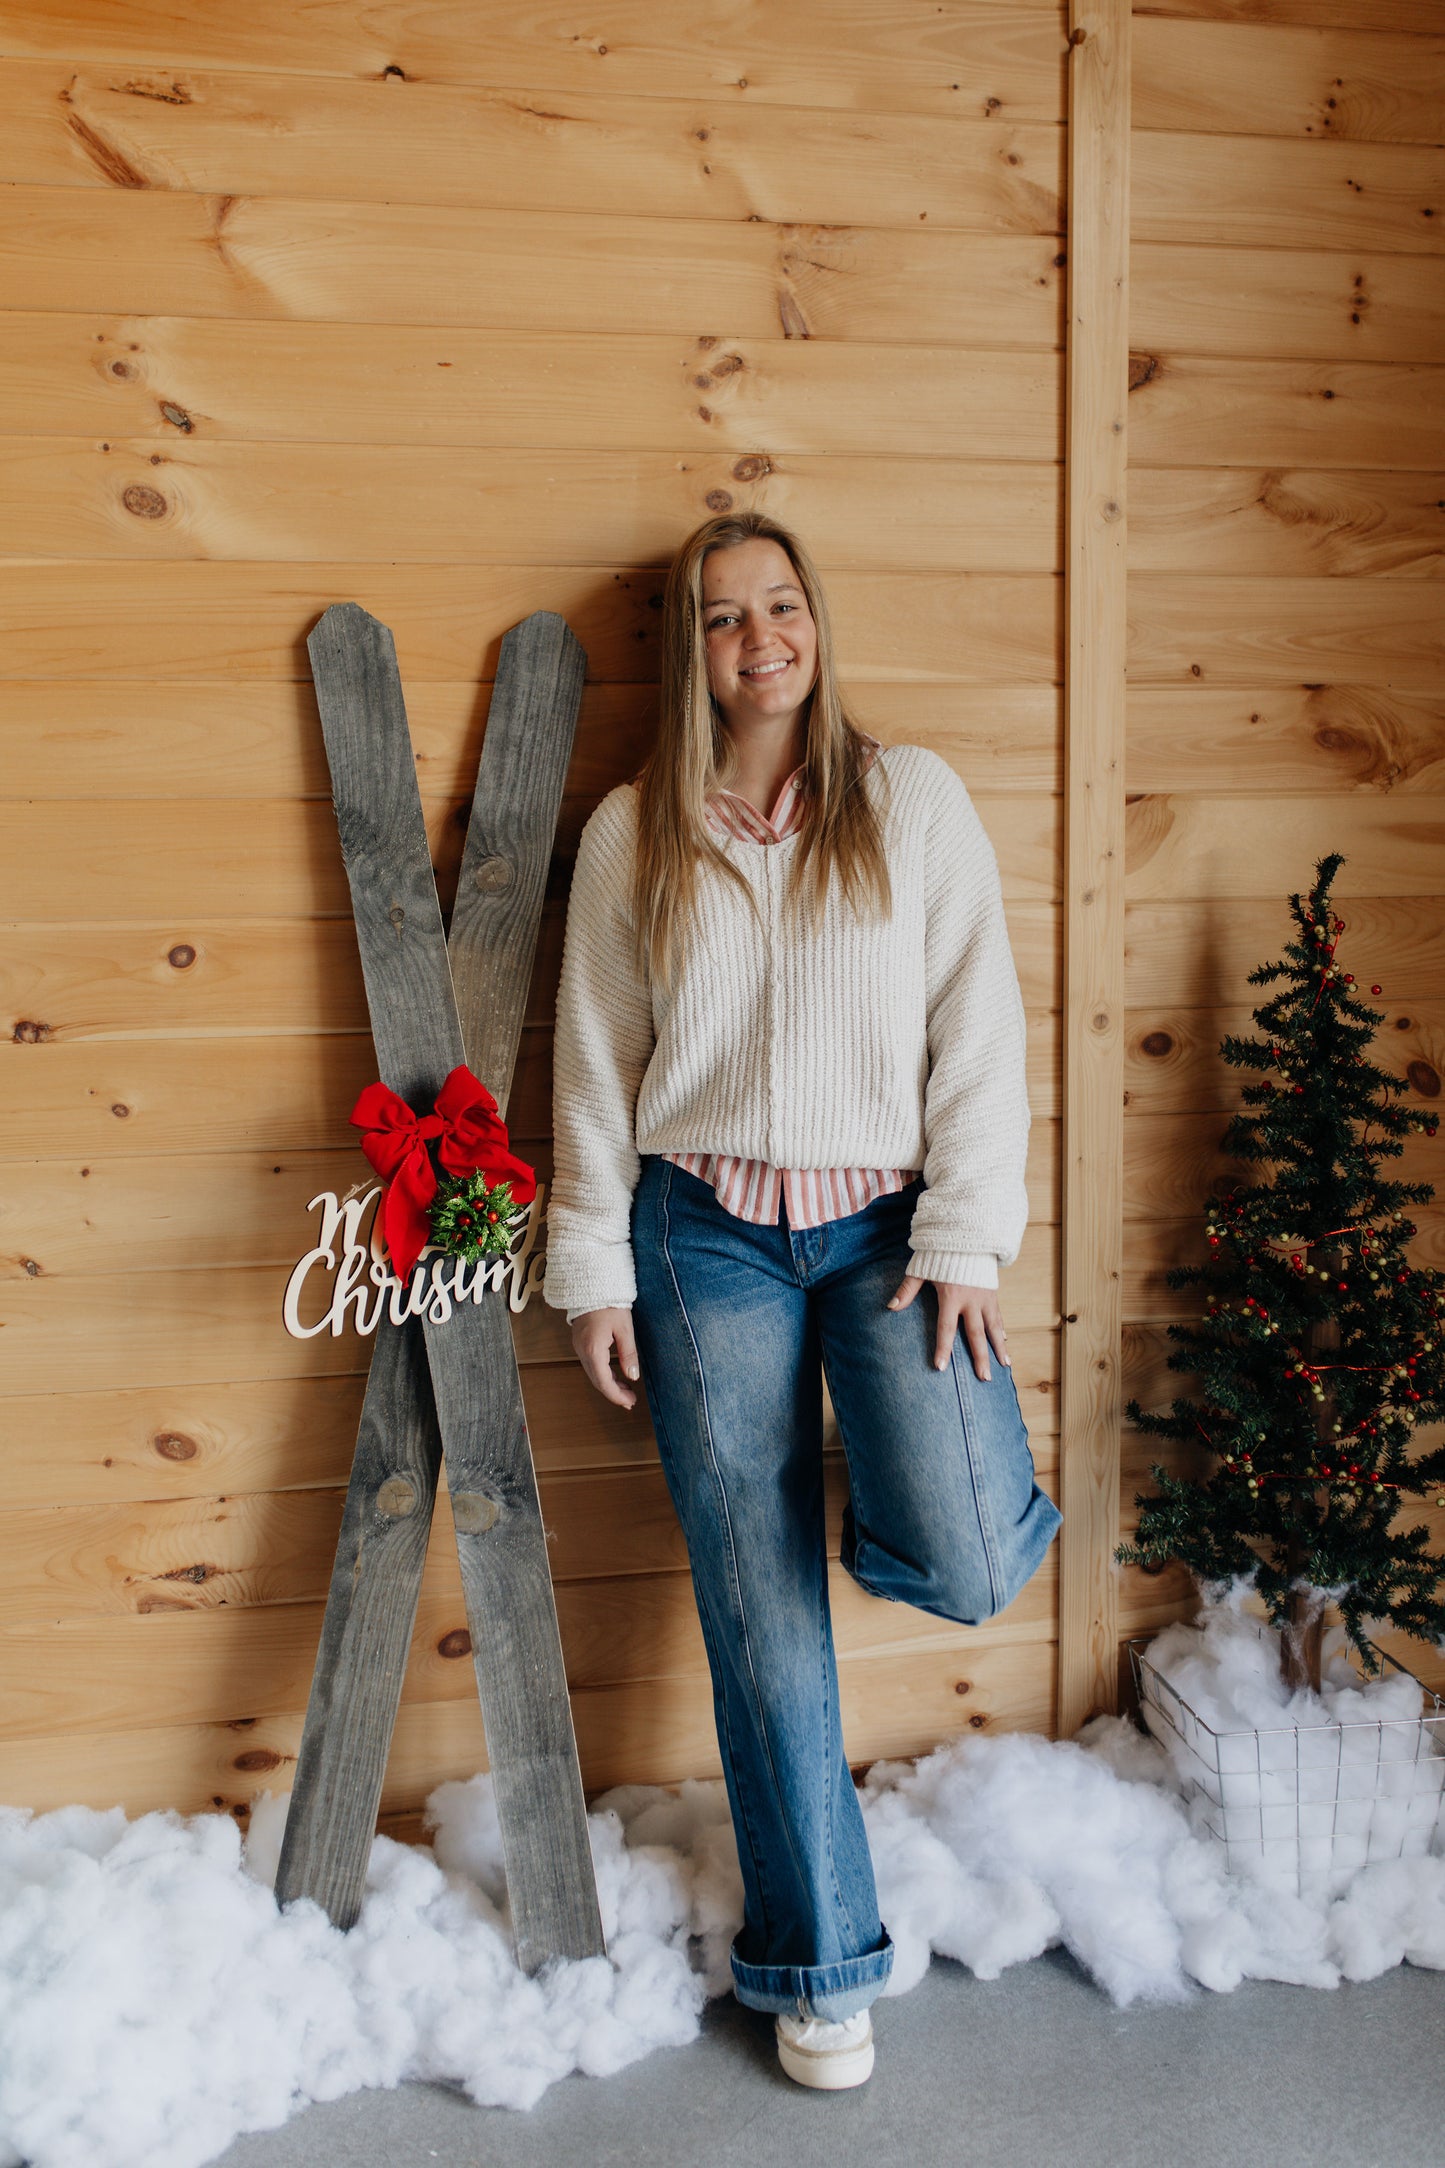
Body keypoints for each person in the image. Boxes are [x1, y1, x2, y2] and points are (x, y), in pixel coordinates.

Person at [544, 510, 1060, 2090]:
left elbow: (978, 1024)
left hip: (887, 1239)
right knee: (753, 1607)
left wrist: (967, 1236)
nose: (758, 637)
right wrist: (588, 1267)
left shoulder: (909, 800)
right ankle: (820, 1962)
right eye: (720, 617)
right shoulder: (637, 831)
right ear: (686, 649)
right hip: (699, 1242)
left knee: (971, 1560)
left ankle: (859, 1484)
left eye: (780, 606)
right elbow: (588, 1058)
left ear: (815, 622)